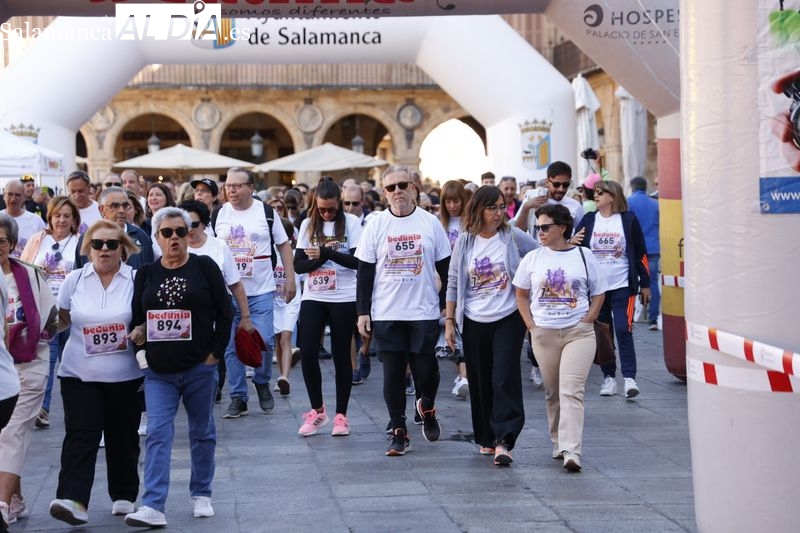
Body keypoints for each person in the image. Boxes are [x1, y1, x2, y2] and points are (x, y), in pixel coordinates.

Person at [124, 207, 232, 528]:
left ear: (189, 235)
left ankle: (201, 493)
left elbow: (225, 314)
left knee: (202, 432)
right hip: (159, 371)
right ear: (156, 237)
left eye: (180, 232)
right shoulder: (145, 274)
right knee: (157, 432)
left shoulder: (205, 266)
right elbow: (137, 319)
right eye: (167, 233)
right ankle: (153, 505)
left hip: (199, 367)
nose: (174, 239)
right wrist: (141, 346)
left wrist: (214, 355)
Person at [47, 220, 143, 526]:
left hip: (125, 375)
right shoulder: (74, 280)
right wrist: (42, 328)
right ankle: (73, 501)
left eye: (111, 244)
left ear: (123, 249)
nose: (104, 250)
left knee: (123, 436)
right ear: (87, 249)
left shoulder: (137, 279)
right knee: (81, 435)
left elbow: (144, 318)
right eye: (97, 244)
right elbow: (62, 319)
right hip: (78, 373)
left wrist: (140, 330)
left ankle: (124, 494)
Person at [356, 165, 451, 456]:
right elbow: (365, 272)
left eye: (402, 185)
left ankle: (428, 406)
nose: (397, 191)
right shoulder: (375, 225)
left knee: (426, 371)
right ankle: (398, 429)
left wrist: (447, 308)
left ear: (414, 188)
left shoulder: (430, 223)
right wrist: (363, 311)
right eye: (391, 187)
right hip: (387, 311)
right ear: (384, 193)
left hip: (422, 310)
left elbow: (446, 270)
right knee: (393, 374)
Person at [444, 186, 537, 466]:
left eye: (501, 207)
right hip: (474, 319)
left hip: (509, 316)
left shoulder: (513, 237)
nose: (498, 213)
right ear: (479, 210)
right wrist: (449, 321)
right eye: (492, 208)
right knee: (481, 379)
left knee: (504, 376)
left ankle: (504, 440)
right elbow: (453, 281)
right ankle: (486, 436)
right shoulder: (466, 241)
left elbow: (539, 256)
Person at [513, 204, 607, 472]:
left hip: (579, 333)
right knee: (553, 391)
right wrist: (531, 326)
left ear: (563, 228)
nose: (540, 232)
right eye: (538, 227)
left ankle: (571, 449)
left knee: (571, 390)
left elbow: (599, 292)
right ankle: (557, 440)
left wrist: (588, 319)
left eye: (545, 227)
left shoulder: (584, 255)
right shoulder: (533, 258)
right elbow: (520, 293)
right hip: (544, 333)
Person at [214, 167, 296, 419]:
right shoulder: (218, 214)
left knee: (263, 340)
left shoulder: (266, 212)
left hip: (261, 289)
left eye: (237, 186)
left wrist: (290, 278)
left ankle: (261, 381)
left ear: (250, 187)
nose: (232, 190)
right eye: (228, 186)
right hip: (227, 292)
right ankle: (238, 397)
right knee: (230, 346)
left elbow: (283, 245)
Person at [0, 215, 58, 526]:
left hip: (30, 362)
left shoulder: (30, 276)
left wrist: (26, 332)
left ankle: (2, 503)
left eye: (2, 242)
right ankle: (17, 497)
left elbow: (52, 317)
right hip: (1, 370)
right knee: (6, 434)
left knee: (12, 431)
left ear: (11, 245)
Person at [293, 178, 361, 437]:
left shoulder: (352, 224)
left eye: (331, 209)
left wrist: (325, 254)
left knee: (341, 353)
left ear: (339, 205)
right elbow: (299, 264)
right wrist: (323, 256)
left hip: (344, 296)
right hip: (314, 294)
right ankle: (317, 410)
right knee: (308, 349)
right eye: (322, 209)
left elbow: (357, 262)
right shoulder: (308, 225)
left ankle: (341, 415)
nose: (327, 213)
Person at [573, 180, 650, 399]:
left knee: (623, 330)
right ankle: (608, 378)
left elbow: (641, 253)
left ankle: (629, 378)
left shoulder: (628, 220)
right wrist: (571, 240)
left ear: (612, 197)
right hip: (597, 289)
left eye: (600, 193)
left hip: (622, 286)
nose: (595, 196)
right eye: (594, 193)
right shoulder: (589, 220)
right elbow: (572, 247)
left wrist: (645, 283)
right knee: (603, 334)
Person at [180, 200, 253, 402]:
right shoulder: (176, 246)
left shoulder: (218, 246)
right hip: (185, 318)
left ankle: (230, 395)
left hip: (217, 313)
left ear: (204, 223)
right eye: (184, 225)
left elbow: (235, 284)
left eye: (194, 224)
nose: (189, 230)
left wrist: (245, 317)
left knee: (221, 354)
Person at [20, 196, 81, 429]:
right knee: (46, 361)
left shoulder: (80, 241)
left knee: (73, 365)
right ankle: (42, 409)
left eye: (67, 216)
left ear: (74, 219)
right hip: (45, 311)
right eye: (57, 215)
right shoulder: (38, 240)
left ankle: (75, 410)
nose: (62, 220)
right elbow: (23, 269)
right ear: (50, 217)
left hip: (73, 312)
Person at [438, 180, 471, 399]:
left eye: (456, 201)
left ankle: (464, 374)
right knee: (451, 328)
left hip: (466, 282)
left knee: (461, 328)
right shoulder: (438, 224)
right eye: (448, 202)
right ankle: (463, 374)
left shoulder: (470, 223)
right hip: (443, 283)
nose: (452, 206)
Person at [75, 187, 154, 270]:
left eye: (125, 205)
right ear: (101, 209)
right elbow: (79, 276)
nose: (121, 210)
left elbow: (149, 274)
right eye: (115, 206)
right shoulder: (87, 238)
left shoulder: (141, 236)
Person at [512, 161, 585, 237]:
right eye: (556, 184)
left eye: (565, 185)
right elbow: (519, 232)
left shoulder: (575, 206)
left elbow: (580, 234)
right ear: (547, 182)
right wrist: (526, 207)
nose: (561, 189)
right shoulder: (533, 198)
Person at [271, 216, 301, 396]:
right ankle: (281, 378)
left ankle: (284, 376)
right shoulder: (269, 253)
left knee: (285, 338)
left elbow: (304, 276)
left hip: (291, 300)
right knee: (278, 341)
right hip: (274, 300)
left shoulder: (295, 254)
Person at [627, 176, 660, 331]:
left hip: (634, 249)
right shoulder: (655, 204)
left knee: (631, 283)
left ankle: (630, 317)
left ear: (632, 187)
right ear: (646, 187)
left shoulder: (628, 203)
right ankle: (653, 319)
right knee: (652, 282)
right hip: (653, 248)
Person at [1, 180, 46, 258]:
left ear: (24, 197)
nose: (13, 199)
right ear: (4, 195)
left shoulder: (36, 221)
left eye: (17, 195)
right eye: (10, 194)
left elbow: (44, 249)